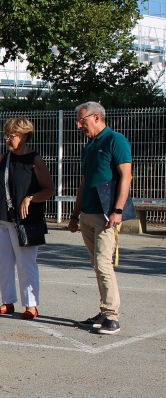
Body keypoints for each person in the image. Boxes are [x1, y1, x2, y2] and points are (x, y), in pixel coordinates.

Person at [69, 102, 132, 335]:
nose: (79, 125)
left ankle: (112, 317)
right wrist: (75, 215)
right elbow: (84, 182)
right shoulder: (90, 145)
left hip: (106, 215)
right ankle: (104, 312)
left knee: (104, 264)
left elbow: (126, 176)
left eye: (82, 120)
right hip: (87, 214)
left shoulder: (116, 140)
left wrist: (118, 210)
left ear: (96, 117)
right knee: (97, 265)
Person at [0, 117, 55, 319]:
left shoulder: (34, 160)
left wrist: (31, 198)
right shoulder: (4, 158)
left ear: (24, 136)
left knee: (26, 263)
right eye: (6, 135)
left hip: (26, 221)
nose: (8, 139)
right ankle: (7, 301)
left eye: (12, 136)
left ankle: (31, 305)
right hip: (2, 218)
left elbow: (49, 189)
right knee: (3, 262)